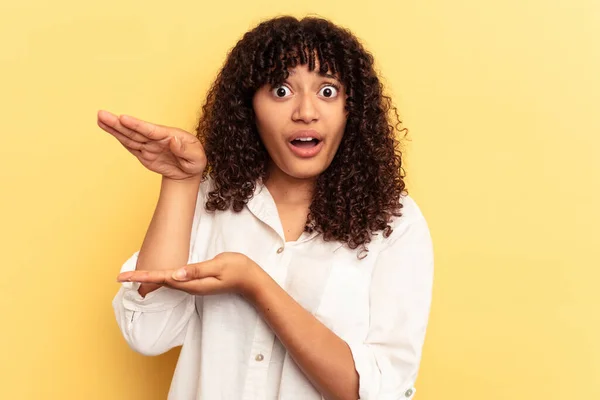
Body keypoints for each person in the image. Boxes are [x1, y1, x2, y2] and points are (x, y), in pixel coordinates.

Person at [102, 15, 434, 400]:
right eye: (281, 90)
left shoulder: (394, 223)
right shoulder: (211, 201)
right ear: (249, 108)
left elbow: (375, 391)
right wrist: (179, 183)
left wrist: (256, 283)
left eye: (327, 91)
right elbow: (147, 335)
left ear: (351, 109)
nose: (306, 111)